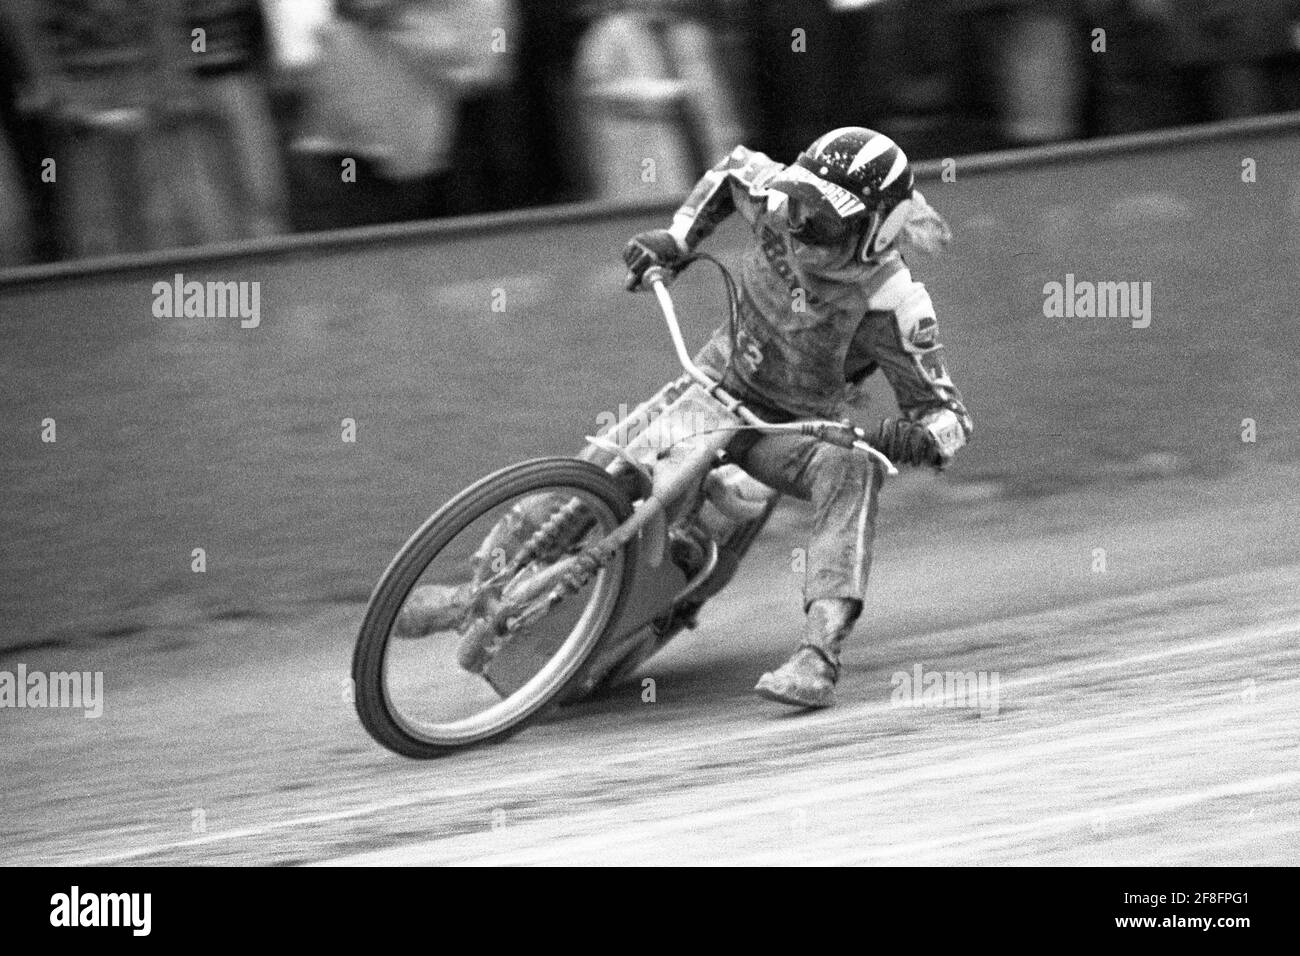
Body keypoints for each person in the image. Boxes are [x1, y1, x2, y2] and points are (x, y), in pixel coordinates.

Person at [621, 127, 973, 708]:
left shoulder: (893, 301)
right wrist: (676, 238)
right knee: (612, 463)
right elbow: (733, 167)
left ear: (874, 232)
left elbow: (950, 420)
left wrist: (903, 438)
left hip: (786, 435)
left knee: (851, 468)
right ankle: (480, 589)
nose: (801, 222)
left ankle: (817, 655)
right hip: (711, 386)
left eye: (825, 217)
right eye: (802, 201)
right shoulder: (778, 202)